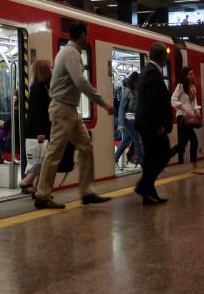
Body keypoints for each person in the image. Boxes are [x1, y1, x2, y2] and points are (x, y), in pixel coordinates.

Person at [34, 22, 114, 209]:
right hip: (63, 109)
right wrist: (103, 103)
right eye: (87, 35)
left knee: (86, 146)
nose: (88, 39)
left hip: (70, 109)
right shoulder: (71, 53)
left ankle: (87, 192)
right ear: (82, 36)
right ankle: (42, 195)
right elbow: (81, 82)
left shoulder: (69, 52)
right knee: (55, 152)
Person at [134, 43, 173, 204]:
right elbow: (152, 102)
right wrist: (158, 125)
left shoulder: (147, 71)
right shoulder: (152, 73)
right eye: (166, 54)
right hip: (152, 125)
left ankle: (148, 194)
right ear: (162, 56)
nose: (167, 58)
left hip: (146, 123)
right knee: (163, 154)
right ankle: (143, 186)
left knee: (151, 158)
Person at [21, 59, 52, 193]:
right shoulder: (39, 88)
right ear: (44, 71)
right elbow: (37, 112)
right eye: (49, 68)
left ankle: (37, 189)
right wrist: (40, 132)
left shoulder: (43, 86)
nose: (52, 70)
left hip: (41, 128)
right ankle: (27, 181)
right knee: (42, 161)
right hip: (38, 130)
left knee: (42, 160)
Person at [171, 66, 200, 171]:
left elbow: (194, 103)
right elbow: (173, 100)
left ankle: (164, 158)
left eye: (193, 74)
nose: (192, 76)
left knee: (182, 144)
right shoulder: (180, 86)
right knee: (194, 141)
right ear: (185, 75)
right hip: (182, 117)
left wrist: (197, 110)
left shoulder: (192, 87)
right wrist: (183, 109)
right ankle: (194, 166)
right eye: (190, 74)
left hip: (190, 118)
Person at [115, 71, 144, 171]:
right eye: (137, 81)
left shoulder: (139, 91)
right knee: (138, 141)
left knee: (126, 142)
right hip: (128, 120)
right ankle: (144, 164)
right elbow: (122, 108)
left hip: (136, 119)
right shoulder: (127, 91)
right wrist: (121, 124)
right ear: (133, 81)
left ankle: (114, 160)